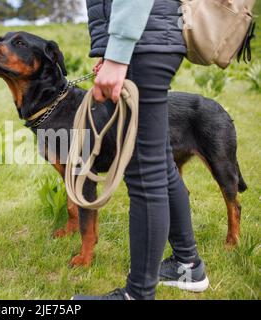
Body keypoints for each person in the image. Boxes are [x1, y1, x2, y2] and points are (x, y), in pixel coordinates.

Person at [73, 0, 209, 300]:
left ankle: (137, 295)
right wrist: (114, 52)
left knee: (144, 173)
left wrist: (119, 53)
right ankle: (188, 265)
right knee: (158, 161)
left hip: (143, 43)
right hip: (150, 40)